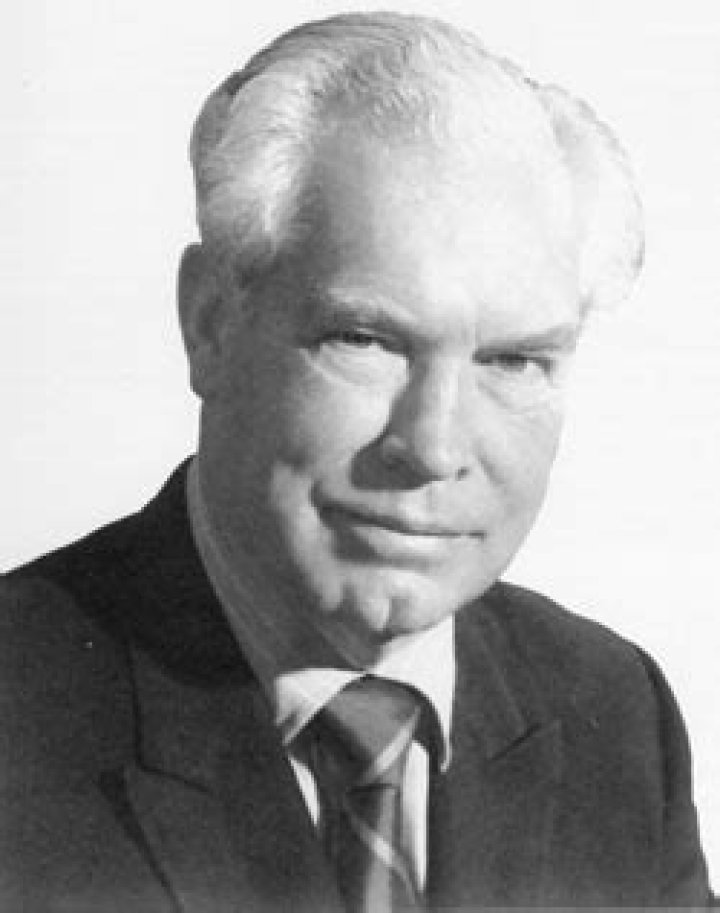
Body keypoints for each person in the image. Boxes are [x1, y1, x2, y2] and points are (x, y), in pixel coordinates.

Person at [1, 11, 713, 911]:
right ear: (210, 323)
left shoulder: (614, 714)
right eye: (366, 338)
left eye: (512, 360)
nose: (435, 447)